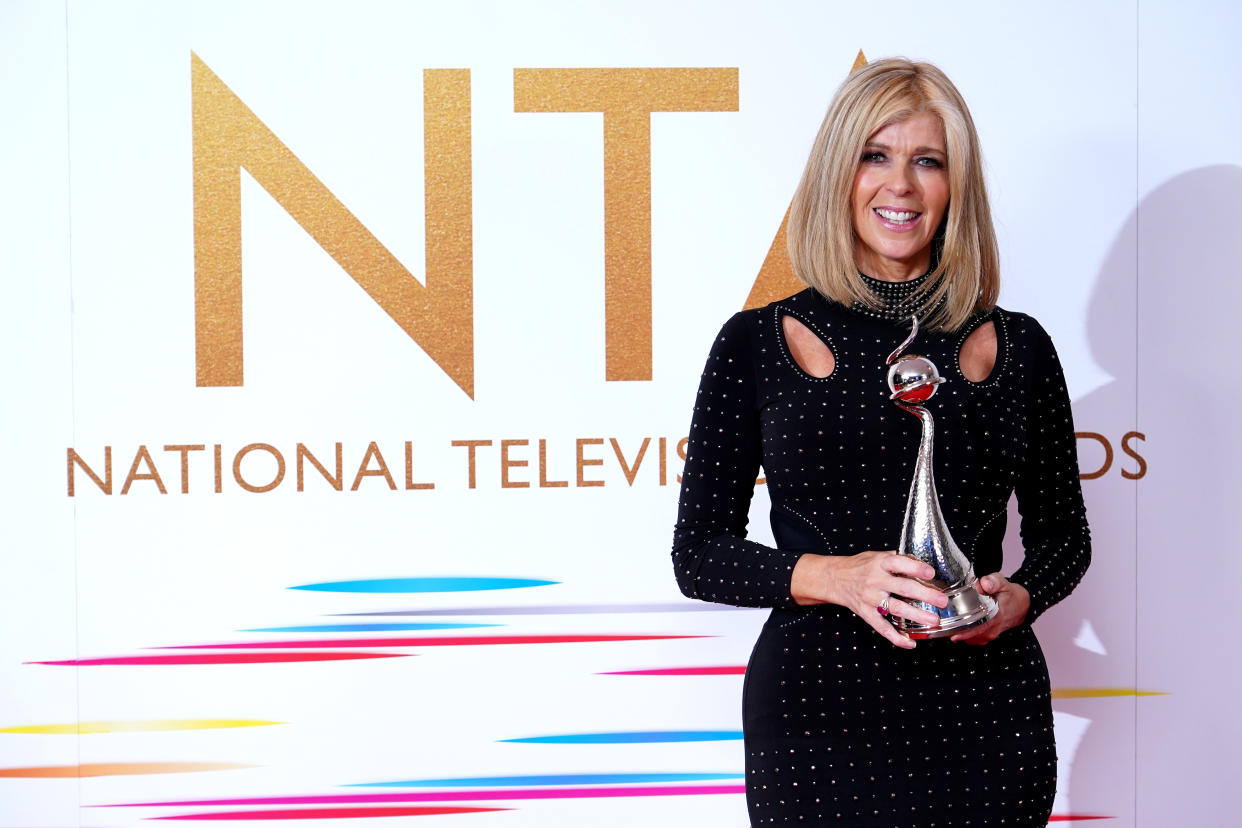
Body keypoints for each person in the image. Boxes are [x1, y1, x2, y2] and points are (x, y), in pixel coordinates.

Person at [671, 57, 1090, 826]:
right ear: (840, 173)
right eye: (875, 155)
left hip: (987, 715)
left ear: (955, 186)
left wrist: (1022, 597)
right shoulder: (756, 342)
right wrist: (838, 577)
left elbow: (1064, 537)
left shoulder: (1021, 346)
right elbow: (698, 553)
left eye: (927, 161)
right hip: (817, 721)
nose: (900, 184)